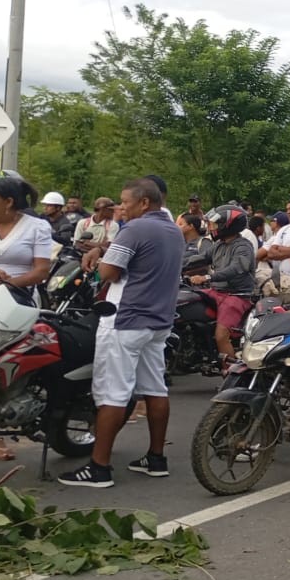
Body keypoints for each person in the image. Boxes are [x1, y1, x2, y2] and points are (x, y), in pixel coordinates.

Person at [59, 178, 183, 487]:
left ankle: (98, 468)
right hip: (158, 322)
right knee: (155, 388)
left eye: (125, 202)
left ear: (144, 203)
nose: (120, 208)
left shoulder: (135, 229)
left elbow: (108, 272)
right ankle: (156, 458)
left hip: (125, 320)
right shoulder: (174, 231)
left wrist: (101, 256)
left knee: (112, 392)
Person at [0, 177, 54, 462]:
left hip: (17, 305)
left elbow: (41, 271)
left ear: (8, 202)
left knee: (2, 370)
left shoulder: (37, 227)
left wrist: (10, 282)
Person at [186, 205, 257, 367]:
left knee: (221, 335)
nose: (212, 228)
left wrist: (207, 277)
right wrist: (177, 264)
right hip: (216, 291)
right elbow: (201, 258)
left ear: (228, 225)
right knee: (186, 300)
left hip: (237, 295)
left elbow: (237, 269)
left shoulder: (243, 246)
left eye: (216, 224)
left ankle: (230, 372)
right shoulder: (219, 245)